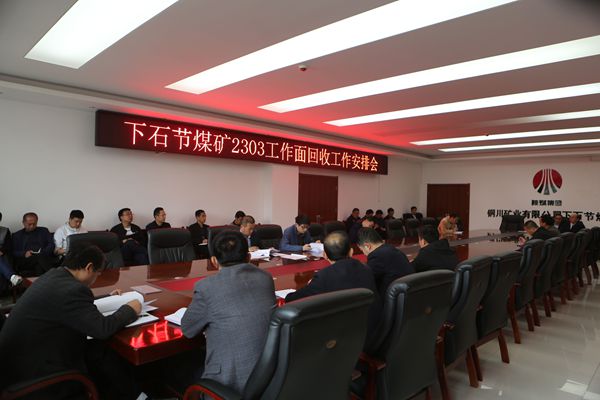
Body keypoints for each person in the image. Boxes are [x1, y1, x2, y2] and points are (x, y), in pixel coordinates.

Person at [0, 243, 142, 399]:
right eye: (98, 273)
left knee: (102, 351)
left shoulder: (55, 275)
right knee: (105, 350)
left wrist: (107, 297)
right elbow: (102, 329)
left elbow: (67, 303)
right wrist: (130, 309)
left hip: (18, 362)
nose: (96, 278)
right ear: (89, 268)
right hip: (37, 375)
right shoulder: (73, 290)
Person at [181, 230, 276, 394]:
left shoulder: (206, 287)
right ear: (248, 257)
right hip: (271, 378)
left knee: (175, 368)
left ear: (213, 261)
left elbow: (188, 329)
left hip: (230, 385)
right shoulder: (265, 278)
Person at [285, 231, 380, 340]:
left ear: (325, 255)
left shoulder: (324, 276)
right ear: (351, 252)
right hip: (373, 333)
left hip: (344, 339)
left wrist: (309, 286)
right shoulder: (366, 268)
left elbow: (293, 300)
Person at [357, 227, 414, 297]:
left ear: (367, 246)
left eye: (362, 250)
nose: (364, 253)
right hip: (408, 296)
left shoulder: (376, 256)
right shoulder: (392, 249)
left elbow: (366, 280)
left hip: (392, 300)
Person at [0, 212, 22, 288]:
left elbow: (8, 245)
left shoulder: (5, 230)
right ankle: (12, 276)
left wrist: (2, 251)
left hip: (2, 254)